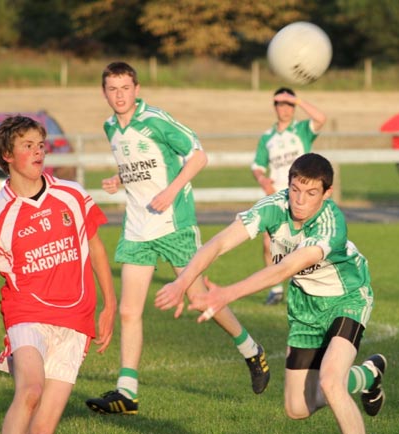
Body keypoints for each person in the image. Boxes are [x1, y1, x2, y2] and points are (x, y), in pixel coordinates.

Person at [85, 61, 269, 415]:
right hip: (138, 228)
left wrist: (171, 191)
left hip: (174, 224)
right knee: (128, 310)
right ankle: (127, 392)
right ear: (104, 92)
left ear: (137, 89)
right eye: (112, 89)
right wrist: (118, 180)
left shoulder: (156, 119)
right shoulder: (110, 127)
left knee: (200, 297)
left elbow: (199, 156)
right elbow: (141, 166)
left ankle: (251, 349)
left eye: (125, 88)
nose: (119, 95)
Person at [156, 153, 386, 434]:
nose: (300, 200)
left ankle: (349, 380)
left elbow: (285, 269)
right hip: (305, 305)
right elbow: (219, 243)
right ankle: (369, 375)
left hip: (346, 298)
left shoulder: (331, 224)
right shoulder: (273, 207)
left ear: (327, 194)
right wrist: (182, 283)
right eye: (295, 190)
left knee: (330, 382)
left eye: (311, 193)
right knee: (296, 408)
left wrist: (226, 294)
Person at [0, 116, 117, 433]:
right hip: (26, 314)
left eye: (41, 145)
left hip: (76, 318)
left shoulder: (72, 194)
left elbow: (96, 250)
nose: (38, 152)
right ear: (7, 155)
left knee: (42, 428)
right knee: (30, 393)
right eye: (28, 145)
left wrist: (110, 305)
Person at [252, 87, 326, 305]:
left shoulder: (302, 129)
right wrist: (262, 179)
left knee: (307, 244)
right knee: (268, 243)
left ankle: (310, 288)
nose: (285, 109)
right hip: (278, 197)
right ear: (275, 107)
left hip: (304, 195)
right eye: (281, 104)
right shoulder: (268, 137)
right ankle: (275, 289)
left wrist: (298, 99)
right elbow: (257, 165)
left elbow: (321, 118)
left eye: (289, 105)